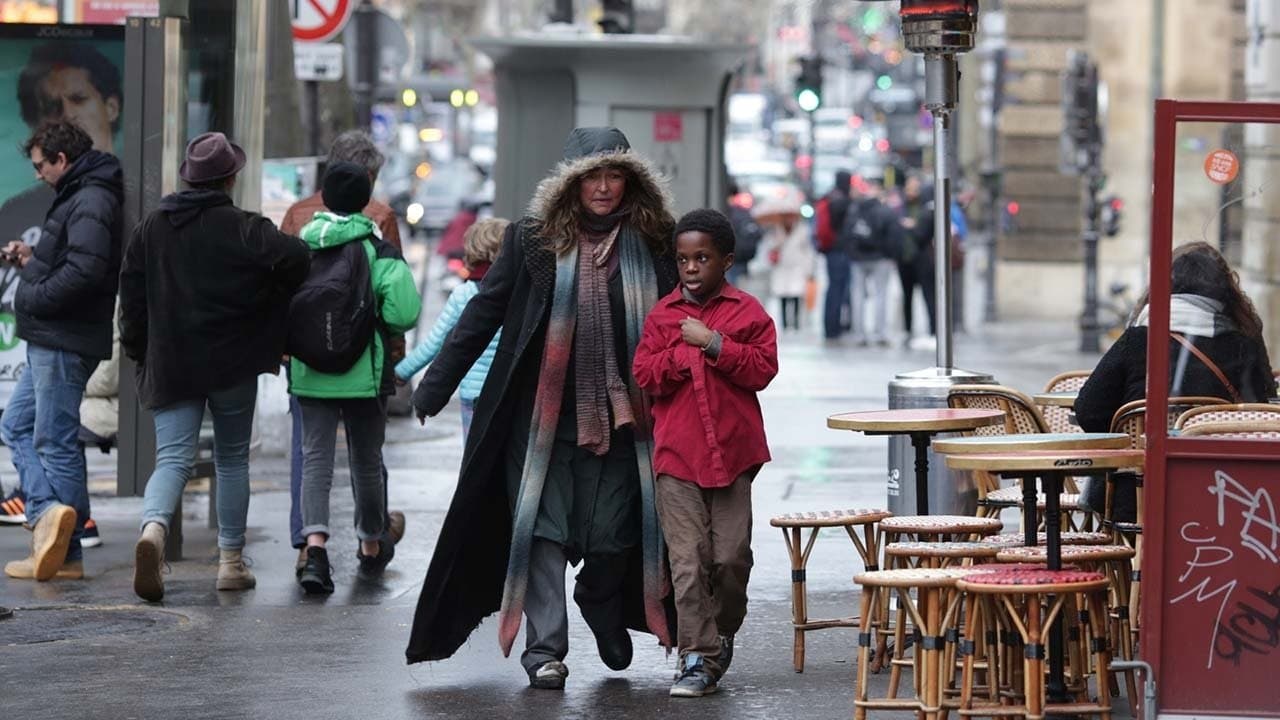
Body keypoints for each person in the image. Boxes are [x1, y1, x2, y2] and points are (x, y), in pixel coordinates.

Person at [405, 127, 678, 690]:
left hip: (628, 423)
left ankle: (602, 603)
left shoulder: (654, 241)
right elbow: (483, 312)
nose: (603, 188)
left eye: (614, 175)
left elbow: (679, 316)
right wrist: (433, 386)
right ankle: (545, 650)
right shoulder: (533, 240)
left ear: (631, 180)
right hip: (542, 422)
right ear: (570, 184)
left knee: (614, 534)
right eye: (591, 177)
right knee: (543, 536)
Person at [120, 132, 310, 601]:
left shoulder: (152, 227)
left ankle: (153, 532)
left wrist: (141, 353)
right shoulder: (245, 228)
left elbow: (132, 300)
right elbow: (298, 259)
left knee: (173, 459)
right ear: (230, 178)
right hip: (233, 361)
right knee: (230, 459)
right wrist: (264, 303)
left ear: (188, 178)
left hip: (172, 362)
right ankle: (229, 562)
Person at [632, 208, 778, 697]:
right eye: (683, 259)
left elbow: (762, 370)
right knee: (689, 561)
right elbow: (645, 375)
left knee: (731, 558)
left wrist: (715, 343)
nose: (691, 267)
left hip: (733, 457)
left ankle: (723, 628)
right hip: (678, 457)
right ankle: (697, 658)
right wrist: (682, 352)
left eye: (702, 258)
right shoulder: (663, 315)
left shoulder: (748, 312)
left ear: (726, 261)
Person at [0, 43, 124, 531]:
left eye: (40, 165)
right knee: (16, 426)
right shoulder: (78, 192)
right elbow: (74, 260)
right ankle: (51, 521)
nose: (37, 175)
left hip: (62, 337)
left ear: (61, 158)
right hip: (53, 336)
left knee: (53, 438)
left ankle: (67, 536)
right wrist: (31, 258)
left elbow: (87, 271)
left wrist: (30, 293)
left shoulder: (91, 196)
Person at [280, 130, 408, 574]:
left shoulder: (298, 226)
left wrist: (287, 350)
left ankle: (313, 548)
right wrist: (391, 355)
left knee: (313, 458)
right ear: (368, 188)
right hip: (364, 368)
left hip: (309, 366)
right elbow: (402, 310)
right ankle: (371, 544)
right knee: (367, 461)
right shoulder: (378, 235)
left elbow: (277, 297)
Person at [1074, 241, 1276, 519]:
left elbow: (1088, 411)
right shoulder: (1242, 345)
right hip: (1222, 496)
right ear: (1226, 292)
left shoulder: (1138, 339)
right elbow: (1257, 420)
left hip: (1133, 495)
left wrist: (1131, 436)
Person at [395, 217, 508, 440]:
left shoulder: (465, 294)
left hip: (473, 395)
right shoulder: (518, 292)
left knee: (475, 462)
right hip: (508, 391)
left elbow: (435, 344)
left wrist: (400, 372)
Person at [844, 181, 900, 347]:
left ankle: (859, 334)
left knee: (858, 296)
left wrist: (852, 254)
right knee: (881, 295)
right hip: (880, 258)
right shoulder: (885, 211)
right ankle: (880, 333)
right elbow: (893, 235)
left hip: (858, 259)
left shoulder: (855, 210)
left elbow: (847, 234)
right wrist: (890, 255)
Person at [757, 195, 813, 331]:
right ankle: (785, 324)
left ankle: (795, 323)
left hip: (797, 267)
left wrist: (809, 269)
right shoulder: (775, 231)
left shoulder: (803, 230)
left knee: (796, 294)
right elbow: (769, 247)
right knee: (782, 295)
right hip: (781, 267)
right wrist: (777, 241)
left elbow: (808, 251)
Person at [899, 174, 937, 343]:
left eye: (914, 188)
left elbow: (924, 233)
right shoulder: (902, 207)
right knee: (907, 296)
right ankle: (907, 329)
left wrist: (912, 227)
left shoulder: (926, 209)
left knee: (928, 296)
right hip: (905, 259)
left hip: (922, 259)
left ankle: (934, 331)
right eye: (908, 188)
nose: (910, 191)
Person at [818, 170, 854, 340]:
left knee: (833, 288)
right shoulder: (843, 201)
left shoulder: (829, 197)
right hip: (839, 250)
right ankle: (835, 327)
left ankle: (831, 326)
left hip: (831, 250)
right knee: (838, 289)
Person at [723, 181, 761, 287]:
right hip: (742, 261)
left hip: (729, 259)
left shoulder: (726, 212)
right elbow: (757, 234)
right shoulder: (744, 213)